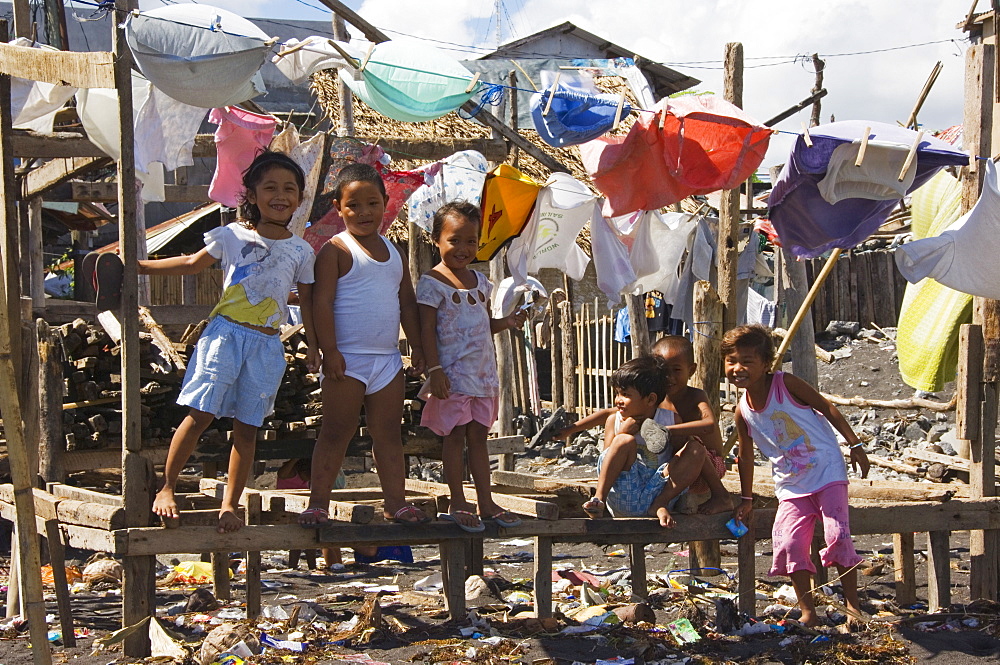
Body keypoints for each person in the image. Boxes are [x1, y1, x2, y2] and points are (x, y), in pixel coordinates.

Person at [146, 150, 317, 533]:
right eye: (270, 187)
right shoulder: (233, 234)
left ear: (299, 198)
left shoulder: (302, 250)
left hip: (267, 344)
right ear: (252, 195)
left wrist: (316, 348)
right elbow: (191, 264)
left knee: (247, 428)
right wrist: (139, 266)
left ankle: (229, 505)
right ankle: (167, 487)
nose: (280, 195)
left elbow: (308, 301)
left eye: (289, 188)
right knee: (200, 414)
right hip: (225, 335)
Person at [300, 163, 427, 527]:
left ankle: (396, 503)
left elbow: (406, 303)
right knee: (335, 432)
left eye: (372, 203)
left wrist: (416, 348)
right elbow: (321, 303)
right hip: (347, 360)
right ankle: (318, 503)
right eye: (353, 205)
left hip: (387, 361)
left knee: (388, 434)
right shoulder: (335, 251)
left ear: (386, 203)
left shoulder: (394, 252)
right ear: (338, 209)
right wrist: (331, 351)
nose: (363, 212)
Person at [727, 324, 870, 628]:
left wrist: (855, 444)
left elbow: (826, 407)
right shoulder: (743, 411)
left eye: (747, 361)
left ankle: (852, 607)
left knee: (837, 536)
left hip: (827, 469)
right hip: (791, 484)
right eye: (731, 361)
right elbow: (747, 456)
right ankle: (808, 612)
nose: (738, 368)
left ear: (766, 364)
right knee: (789, 542)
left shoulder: (785, 384)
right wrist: (747, 498)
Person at [417, 201, 527, 532]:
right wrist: (434, 372)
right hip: (451, 377)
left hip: (482, 375)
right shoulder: (432, 282)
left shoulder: (480, 283)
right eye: (455, 240)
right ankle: (457, 500)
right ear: (436, 239)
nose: (463, 249)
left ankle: (486, 500)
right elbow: (425, 331)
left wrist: (506, 321)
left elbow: (480, 325)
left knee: (479, 436)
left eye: (471, 241)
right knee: (455, 436)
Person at [557, 336, 731, 516]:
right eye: (663, 372)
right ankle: (600, 499)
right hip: (652, 475)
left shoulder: (694, 396)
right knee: (627, 441)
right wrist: (571, 429)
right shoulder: (654, 401)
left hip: (706, 468)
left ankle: (719, 495)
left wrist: (664, 431)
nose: (669, 378)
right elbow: (609, 414)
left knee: (693, 445)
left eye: (677, 370)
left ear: (692, 370)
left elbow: (708, 425)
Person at [582, 355, 710, 528]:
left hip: (657, 494)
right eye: (617, 393)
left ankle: (660, 505)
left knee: (696, 449)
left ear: (650, 399)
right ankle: (598, 500)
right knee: (624, 441)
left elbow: (678, 461)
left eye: (625, 394)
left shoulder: (670, 419)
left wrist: (685, 443)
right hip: (625, 496)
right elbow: (606, 461)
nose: (618, 400)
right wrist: (623, 433)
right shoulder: (615, 420)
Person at [276, 458, 343, 569]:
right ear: (303, 471)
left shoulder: (308, 479)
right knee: (296, 541)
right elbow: (281, 473)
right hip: (286, 509)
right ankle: (293, 566)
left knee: (310, 537)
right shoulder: (289, 474)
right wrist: (297, 457)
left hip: (302, 508)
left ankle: (312, 567)